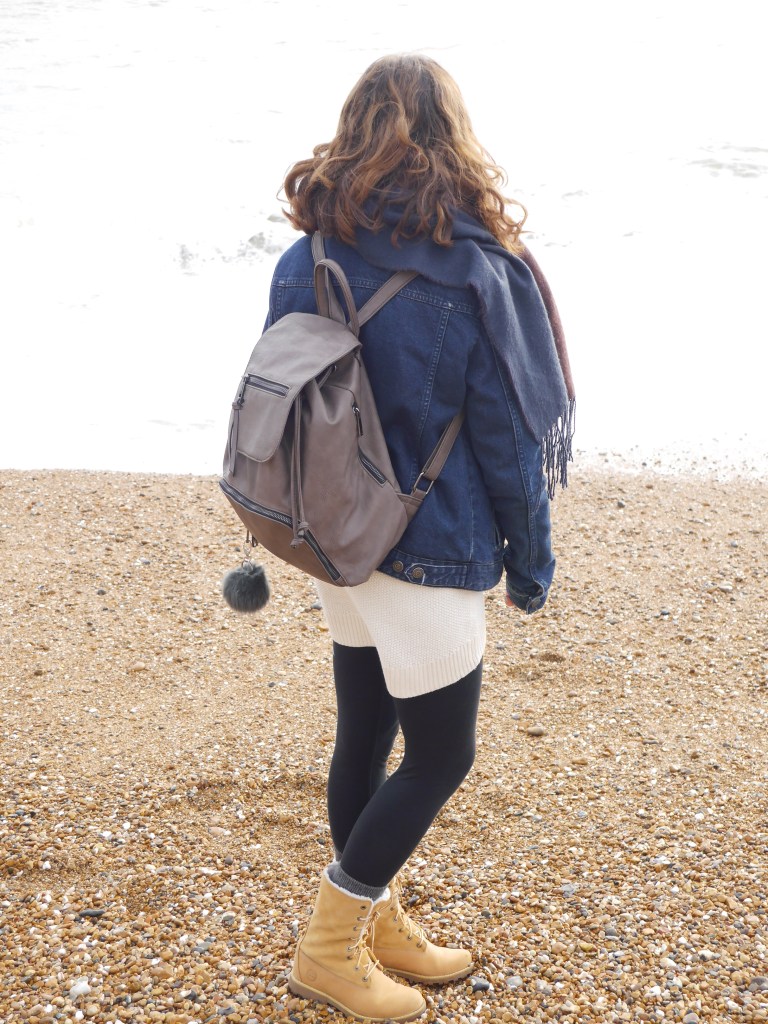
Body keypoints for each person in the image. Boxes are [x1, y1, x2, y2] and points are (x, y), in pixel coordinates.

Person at [266, 53, 575, 1023]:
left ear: (356, 127)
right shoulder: (481, 265)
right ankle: (327, 946)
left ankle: (377, 922)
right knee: (441, 756)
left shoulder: (308, 249)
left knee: (366, 727)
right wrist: (532, 561)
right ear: (454, 132)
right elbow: (510, 441)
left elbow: (289, 384)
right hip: (428, 547)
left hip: (331, 535)